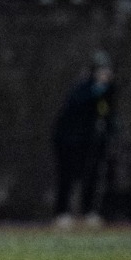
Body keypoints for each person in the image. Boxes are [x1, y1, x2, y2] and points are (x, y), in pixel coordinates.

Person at [52, 52, 115, 229]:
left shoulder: (108, 91)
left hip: (91, 141)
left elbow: (106, 114)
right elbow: (75, 109)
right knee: (67, 175)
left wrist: (109, 131)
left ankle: (89, 212)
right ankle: (62, 213)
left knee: (92, 175)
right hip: (68, 140)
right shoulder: (82, 88)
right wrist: (96, 92)